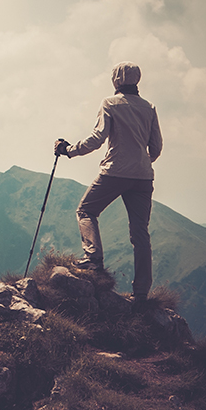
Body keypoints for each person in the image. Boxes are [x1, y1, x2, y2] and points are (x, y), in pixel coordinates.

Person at [55, 61, 162, 309]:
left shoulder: (110, 104)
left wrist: (69, 150)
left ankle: (93, 258)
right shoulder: (150, 107)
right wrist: (142, 161)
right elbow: (155, 147)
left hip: (114, 171)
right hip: (144, 176)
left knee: (86, 211)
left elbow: (96, 139)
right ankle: (141, 293)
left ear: (116, 81)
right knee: (140, 233)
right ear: (137, 80)